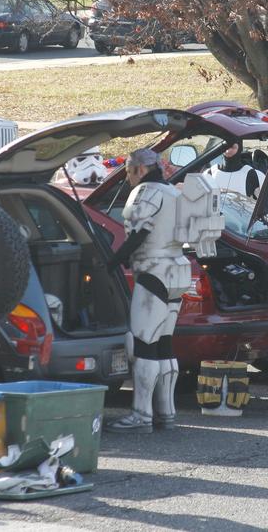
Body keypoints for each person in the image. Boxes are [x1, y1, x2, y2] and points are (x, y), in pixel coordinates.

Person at [106, 148, 189, 433]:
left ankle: (141, 414)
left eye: (129, 171)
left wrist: (112, 262)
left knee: (144, 345)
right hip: (178, 270)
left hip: (154, 270)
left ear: (140, 170)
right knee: (164, 345)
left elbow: (138, 233)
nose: (127, 177)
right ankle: (166, 413)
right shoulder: (176, 194)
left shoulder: (145, 192)